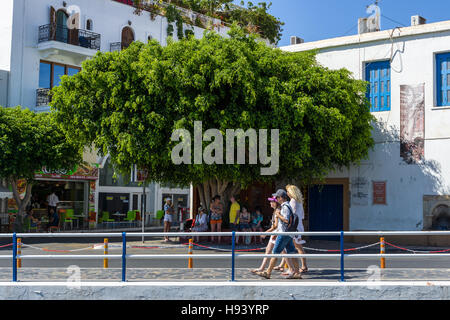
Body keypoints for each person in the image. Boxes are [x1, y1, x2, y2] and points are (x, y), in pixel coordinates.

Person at [256, 189, 301, 279]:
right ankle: (296, 273)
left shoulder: (284, 207)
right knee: (291, 253)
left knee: (275, 252)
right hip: (289, 234)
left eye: (277, 197)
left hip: (283, 233)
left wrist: (278, 214)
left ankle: (268, 272)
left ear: (281, 198)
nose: (276, 198)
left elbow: (286, 220)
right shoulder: (288, 206)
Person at [250, 197, 280, 274]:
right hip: (274, 233)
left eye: (271, 202)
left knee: (284, 252)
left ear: (275, 203)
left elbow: (275, 226)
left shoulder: (277, 211)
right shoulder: (275, 211)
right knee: (268, 250)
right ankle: (262, 268)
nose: (270, 203)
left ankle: (293, 269)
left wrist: (265, 233)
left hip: (277, 233)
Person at [286, 184, 308, 274]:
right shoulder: (299, 202)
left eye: (288, 191)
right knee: (293, 246)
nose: (287, 193)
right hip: (299, 226)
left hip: (295, 227)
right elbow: (302, 216)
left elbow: (292, 215)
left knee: (297, 246)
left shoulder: (293, 201)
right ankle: (286, 265)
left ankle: (303, 266)